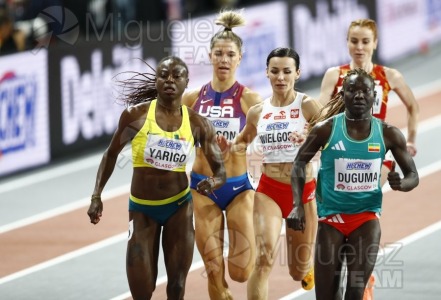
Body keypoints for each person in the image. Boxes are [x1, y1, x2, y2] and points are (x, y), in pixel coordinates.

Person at [87, 56, 226, 300]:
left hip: (179, 209)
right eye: (163, 75)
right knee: (142, 290)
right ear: (156, 80)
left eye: (176, 76)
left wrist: (213, 182)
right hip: (142, 210)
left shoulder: (198, 124)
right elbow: (110, 155)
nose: (169, 80)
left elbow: (221, 171)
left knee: (176, 288)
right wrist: (97, 195)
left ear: (186, 82)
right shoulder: (135, 116)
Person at [290, 68, 419, 300]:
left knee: (355, 292)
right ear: (342, 95)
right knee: (327, 296)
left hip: (366, 220)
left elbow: (413, 174)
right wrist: (298, 205)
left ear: (374, 96)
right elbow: (299, 163)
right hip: (331, 220)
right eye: (352, 90)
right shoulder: (325, 130)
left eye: (364, 91)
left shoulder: (388, 134)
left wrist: (402, 183)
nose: (359, 96)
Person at [181, 9, 262, 299]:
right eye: (218, 54)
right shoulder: (192, 98)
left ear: (239, 58)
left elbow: (265, 133)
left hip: (237, 188)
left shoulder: (250, 99)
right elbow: (179, 138)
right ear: (210, 56)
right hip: (203, 187)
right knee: (214, 269)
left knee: (240, 272)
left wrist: (239, 143)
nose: (224, 60)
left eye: (230, 54)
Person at [231, 47, 322, 299]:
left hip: (302, 194)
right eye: (275, 71)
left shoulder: (308, 106)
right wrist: (227, 148)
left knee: (297, 271)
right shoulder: (257, 112)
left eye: (286, 71)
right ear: (267, 73)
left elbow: (329, 139)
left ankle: (307, 269)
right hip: (269, 189)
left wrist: (308, 136)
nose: (280, 77)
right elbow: (242, 141)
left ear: (297, 73)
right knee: (264, 257)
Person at [318, 18, 419, 187]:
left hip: (376, 147)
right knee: (340, 203)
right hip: (342, 148)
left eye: (365, 41)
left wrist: (411, 140)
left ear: (375, 43)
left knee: (366, 196)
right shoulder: (335, 75)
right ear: (347, 42)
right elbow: (320, 108)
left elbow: (413, 106)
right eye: (354, 41)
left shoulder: (388, 76)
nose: (359, 47)